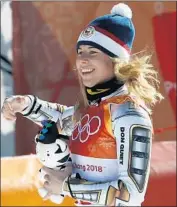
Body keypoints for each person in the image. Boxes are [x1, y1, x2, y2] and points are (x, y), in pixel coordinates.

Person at [1, 3, 164, 206]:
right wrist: (25, 104)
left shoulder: (129, 113)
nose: (82, 61)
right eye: (80, 52)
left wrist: (65, 186)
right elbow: (62, 117)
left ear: (116, 61)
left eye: (93, 52)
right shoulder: (91, 109)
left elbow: (130, 195)